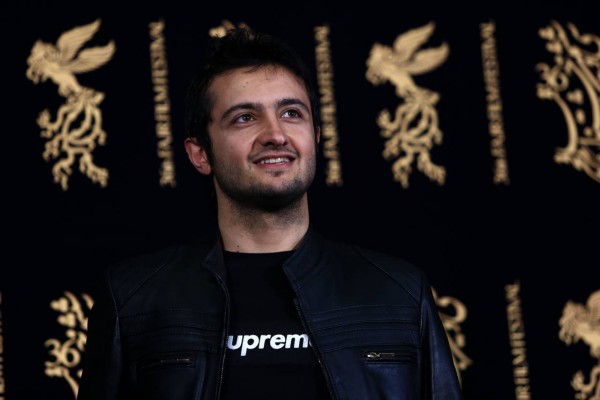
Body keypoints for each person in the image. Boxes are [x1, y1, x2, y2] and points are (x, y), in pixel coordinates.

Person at [78, 28, 463, 400]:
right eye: (245, 118)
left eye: (292, 113)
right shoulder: (133, 301)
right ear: (200, 154)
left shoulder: (399, 293)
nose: (276, 134)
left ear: (315, 137)